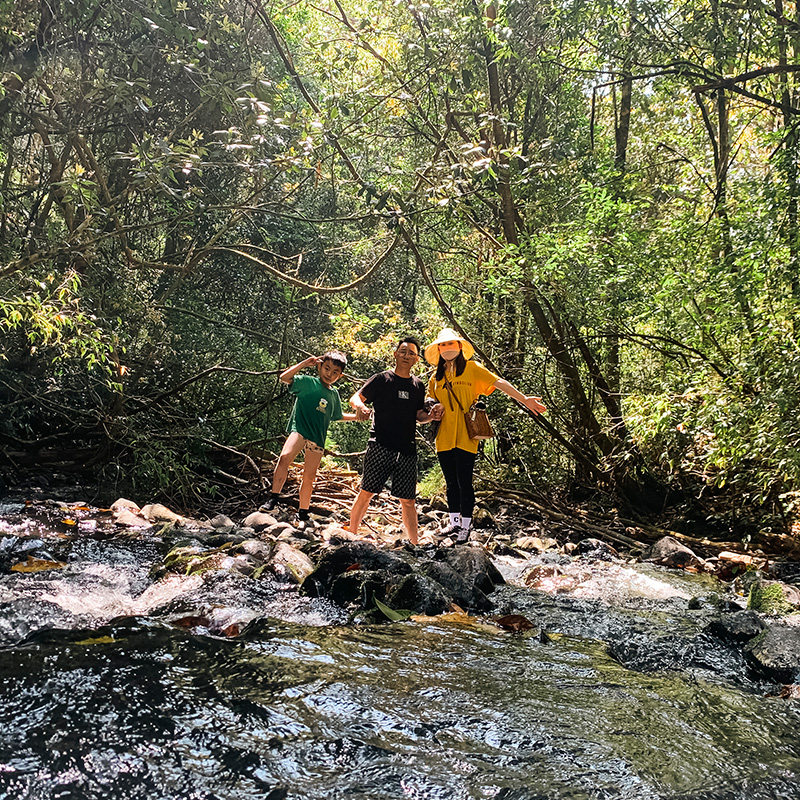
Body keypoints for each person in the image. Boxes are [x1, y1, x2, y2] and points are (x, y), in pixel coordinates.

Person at [425, 328, 546, 543]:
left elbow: (498, 383)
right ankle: (453, 524)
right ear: (438, 349)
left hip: (466, 435)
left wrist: (524, 399)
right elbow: (429, 401)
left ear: (460, 346)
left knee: (464, 481)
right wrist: (433, 408)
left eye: (450, 344)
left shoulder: (472, 369)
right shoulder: (436, 377)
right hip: (443, 436)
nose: (446, 348)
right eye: (442, 345)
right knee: (450, 482)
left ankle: (465, 526)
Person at [347, 336, 437, 545]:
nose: (407, 356)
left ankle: (414, 544)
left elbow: (419, 416)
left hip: (407, 449)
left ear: (417, 359)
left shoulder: (417, 386)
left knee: (408, 500)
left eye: (412, 353)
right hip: (380, 444)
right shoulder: (382, 379)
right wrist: (360, 407)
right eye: (403, 351)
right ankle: (351, 536)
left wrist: (431, 416)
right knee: (367, 491)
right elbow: (355, 398)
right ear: (395, 354)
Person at [264, 352, 358, 521]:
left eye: (335, 372)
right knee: (284, 458)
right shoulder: (308, 382)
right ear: (319, 366)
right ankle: (273, 498)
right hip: (300, 429)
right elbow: (284, 377)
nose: (329, 374)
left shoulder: (333, 394)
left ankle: (303, 511)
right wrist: (304, 363)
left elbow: (337, 415)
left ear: (340, 375)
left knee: (309, 475)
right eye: (326, 368)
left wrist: (358, 416)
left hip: (317, 437)